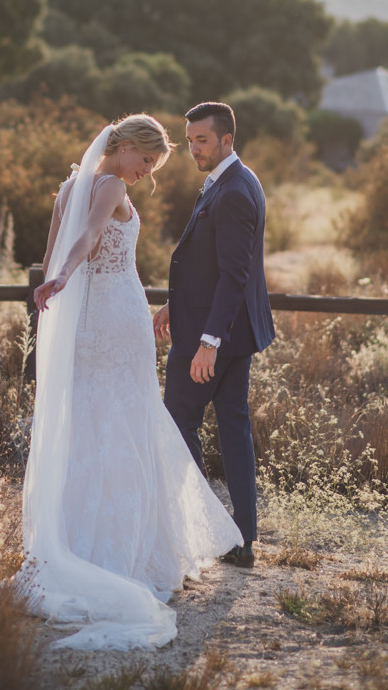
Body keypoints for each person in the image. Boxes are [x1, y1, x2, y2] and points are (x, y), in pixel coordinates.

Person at [22, 114, 242, 650]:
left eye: (153, 165)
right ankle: (126, 553)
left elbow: (59, 247)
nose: (147, 172)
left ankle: (81, 544)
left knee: (94, 420)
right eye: (145, 160)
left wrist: (59, 278)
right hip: (117, 318)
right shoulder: (110, 184)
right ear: (121, 148)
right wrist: (67, 273)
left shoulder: (68, 187)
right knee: (125, 418)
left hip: (85, 326)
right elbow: (91, 237)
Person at [152, 101, 275, 569]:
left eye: (201, 140)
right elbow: (210, 266)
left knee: (178, 419)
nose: (192, 149)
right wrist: (174, 303)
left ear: (226, 140)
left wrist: (208, 342)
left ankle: (209, 526)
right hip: (225, 330)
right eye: (188, 141)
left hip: (216, 338)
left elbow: (234, 275)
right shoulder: (235, 180)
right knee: (233, 426)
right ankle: (242, 539)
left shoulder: (236, 192)